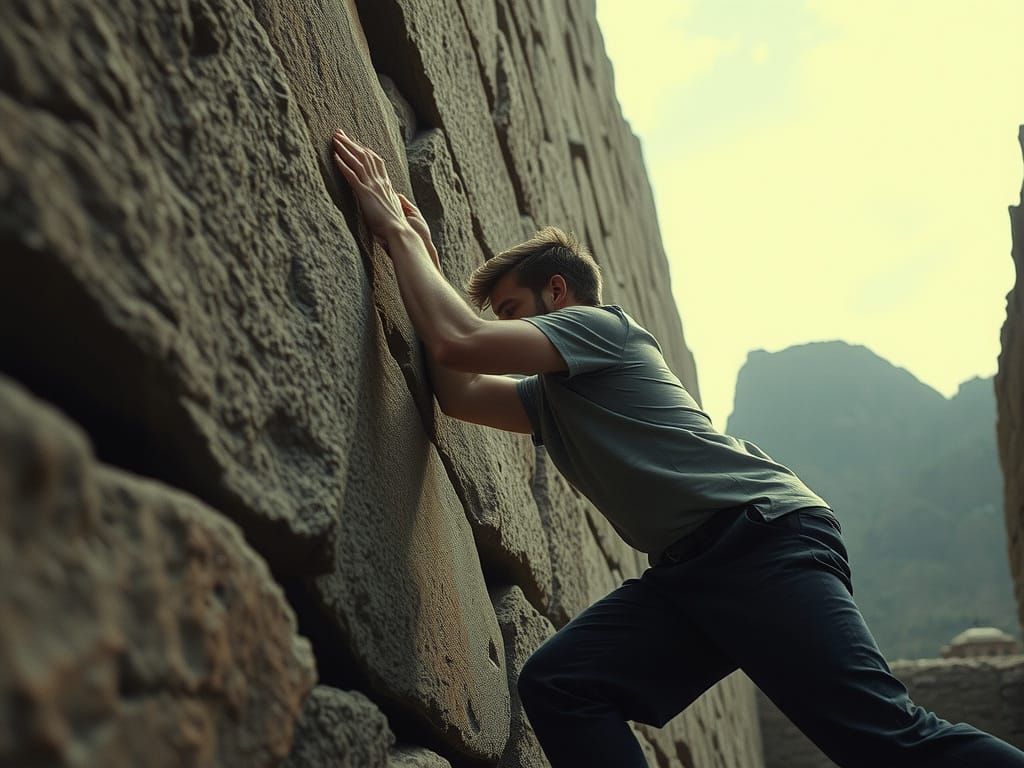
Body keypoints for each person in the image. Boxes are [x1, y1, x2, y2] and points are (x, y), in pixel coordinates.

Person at [330, 128, 1024, 767]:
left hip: (762, 541)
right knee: (562, 683)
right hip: (692, 577)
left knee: (884, 742)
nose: (505, 329)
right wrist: (411, 249)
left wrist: (395, 228)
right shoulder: (553, 400)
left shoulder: (600, 329)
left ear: (558, 291)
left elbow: (460, 343)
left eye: (510, 309)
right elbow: (457, 390)